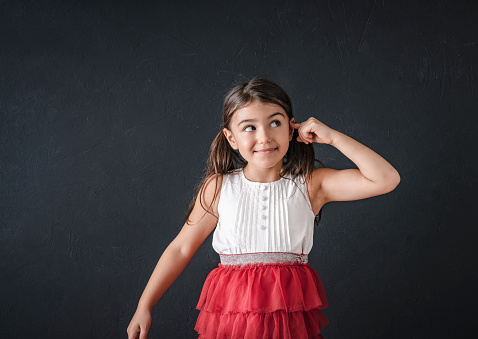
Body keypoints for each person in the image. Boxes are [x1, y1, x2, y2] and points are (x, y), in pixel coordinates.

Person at [127, 78, 400, 339]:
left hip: (288, 321)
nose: (265, 137)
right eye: (249, 127)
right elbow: (180, 248)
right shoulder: (219, 187)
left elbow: (386, 179)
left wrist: (332, 138)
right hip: (231, 320)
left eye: (275, 123)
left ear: (292, 128)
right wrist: (145, 304)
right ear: (231, 138)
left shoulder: (312, 183)